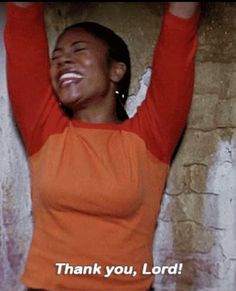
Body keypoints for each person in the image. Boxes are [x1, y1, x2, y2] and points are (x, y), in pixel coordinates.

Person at [4, 2, 200, 290]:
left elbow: (178, 36)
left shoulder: (150, 138)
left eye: (78, 50)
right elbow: (22, 25)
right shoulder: (44, 129)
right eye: (56, 57)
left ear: (116, 70)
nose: (62, 61)